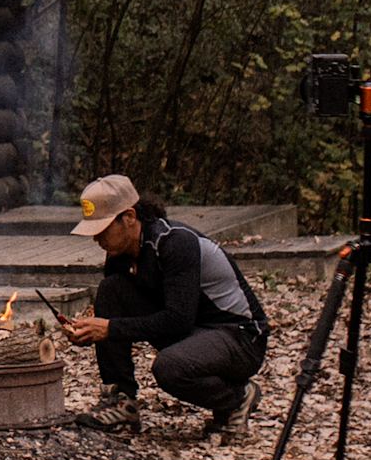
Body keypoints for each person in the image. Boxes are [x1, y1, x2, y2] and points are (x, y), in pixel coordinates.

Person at [62, 174, 267, 435]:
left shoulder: (175, 243)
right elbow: (122, 316)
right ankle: (122, 400)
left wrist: (109, 329)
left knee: (169, 368)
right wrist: (89, 332)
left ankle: (238, 397)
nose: (96, 239)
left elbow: (177, 320)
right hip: (196, 332)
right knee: (111, 290)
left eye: (102, 230)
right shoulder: (120, 253)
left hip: (241, 338)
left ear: (129, 217)